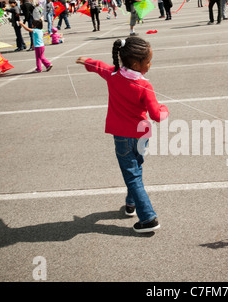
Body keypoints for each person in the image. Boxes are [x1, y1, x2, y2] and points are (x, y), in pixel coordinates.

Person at [75, 37, 169, 233]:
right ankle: (132, 205)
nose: (150, 64)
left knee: (132, 174)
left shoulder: (113, 75)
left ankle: (148, 218)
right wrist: (165, 109)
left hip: (122, 136)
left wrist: (85, 60)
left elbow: (98, 66)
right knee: (135, 170)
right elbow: (157, 115)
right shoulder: (144, 86)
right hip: (141, 136)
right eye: (148, 61)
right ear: (136, 64)